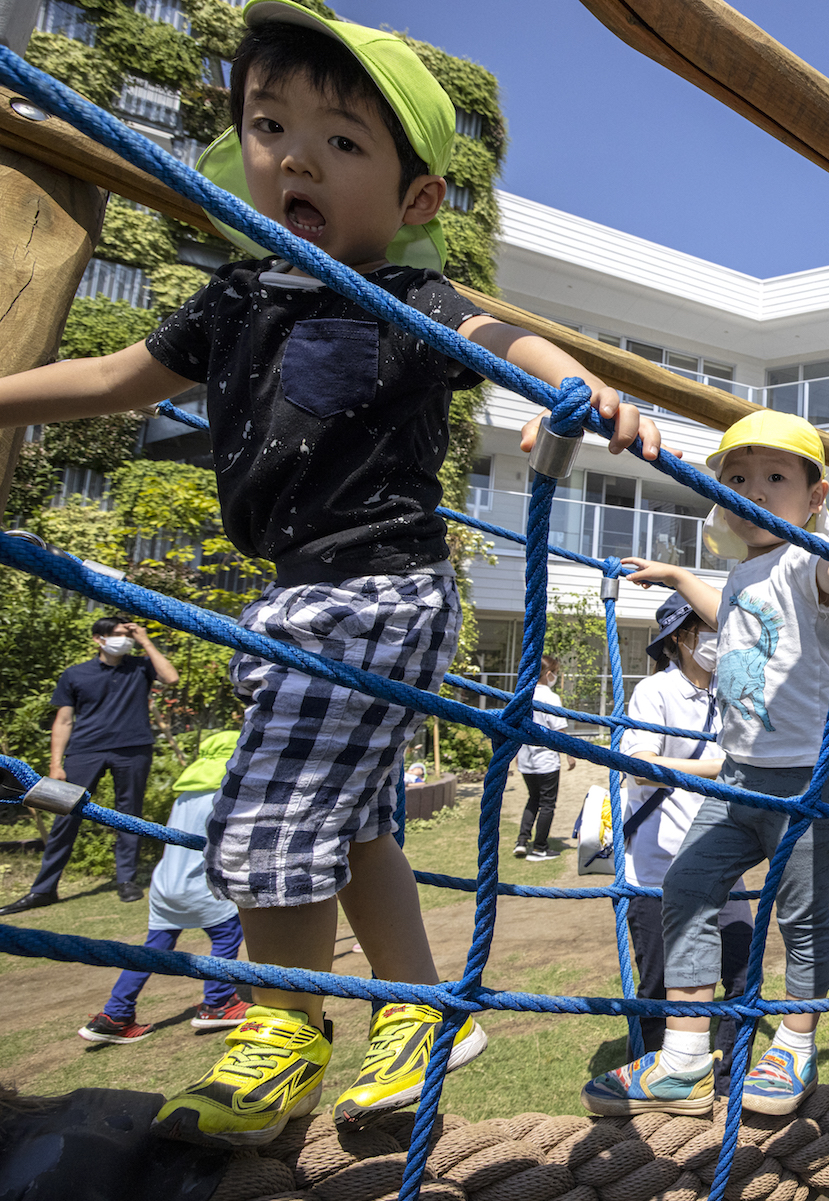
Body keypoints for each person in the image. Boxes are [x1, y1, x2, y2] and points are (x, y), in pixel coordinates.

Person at [0, 1, 665, 1149]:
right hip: (298, 591)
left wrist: (582, 387)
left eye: (342, 141)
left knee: (265, 818)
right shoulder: (237, 296)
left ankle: (284, 1028)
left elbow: (505, 335)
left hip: (378, 589)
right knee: (351, 825)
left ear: (415, 202)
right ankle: (416, 1017)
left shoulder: (403, 301)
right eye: (269, 125)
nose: (296, 155)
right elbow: (116, 375)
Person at [586, 409, 829, 1118]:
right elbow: (734, 612)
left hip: (804, 783)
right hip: (737, 779)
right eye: (738, 478)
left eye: (776, 477)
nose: (755, 490)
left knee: (802, 919)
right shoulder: (743, 574)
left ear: (814, 497)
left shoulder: (808, 559)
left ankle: (795, 1043)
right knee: (684, 888)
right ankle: (683, 1056)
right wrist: (682, 574)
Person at [616, 593, 752, 1079]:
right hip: (658, 865)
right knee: (660, 983)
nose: (717, 639)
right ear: (680, 636)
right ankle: (660, 1079)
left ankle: (727, 1080)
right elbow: (639, 766)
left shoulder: (733, 694)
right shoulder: (655, 693)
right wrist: (719, 767)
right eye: (706, 628)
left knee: (740, 972)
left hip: (722, 861)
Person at [78, 729, 250, 1044]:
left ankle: (115, 1014)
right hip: (199, 885)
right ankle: (219, 1003)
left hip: (165, 885)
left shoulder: (186, 792)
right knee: (227, 935)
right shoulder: (226, 792)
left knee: (153, 948)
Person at [1, 616, 179, 915]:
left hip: (133, 749)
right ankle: (44, 889)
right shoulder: (75, 674)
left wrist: (146, 640)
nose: (126, 639)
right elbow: (64, 720)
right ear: (99, 639)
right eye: (120, 634)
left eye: (128, 634)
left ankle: (126, 881)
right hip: (83, 752)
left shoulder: (140, 666)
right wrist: (56, 764)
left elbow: (171, 678)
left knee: (129, 815)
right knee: (65, 816)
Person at [514, 656, 576, 861]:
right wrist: (569, 754)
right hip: (546, 759)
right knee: (547, 803)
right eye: (556, 672)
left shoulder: (523, 694)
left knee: (533, 799)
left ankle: (522, 842)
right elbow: (559, 729)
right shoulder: (550, 698)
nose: (556, 677)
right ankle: (540, 848)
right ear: (549, 674)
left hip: (526, 758)